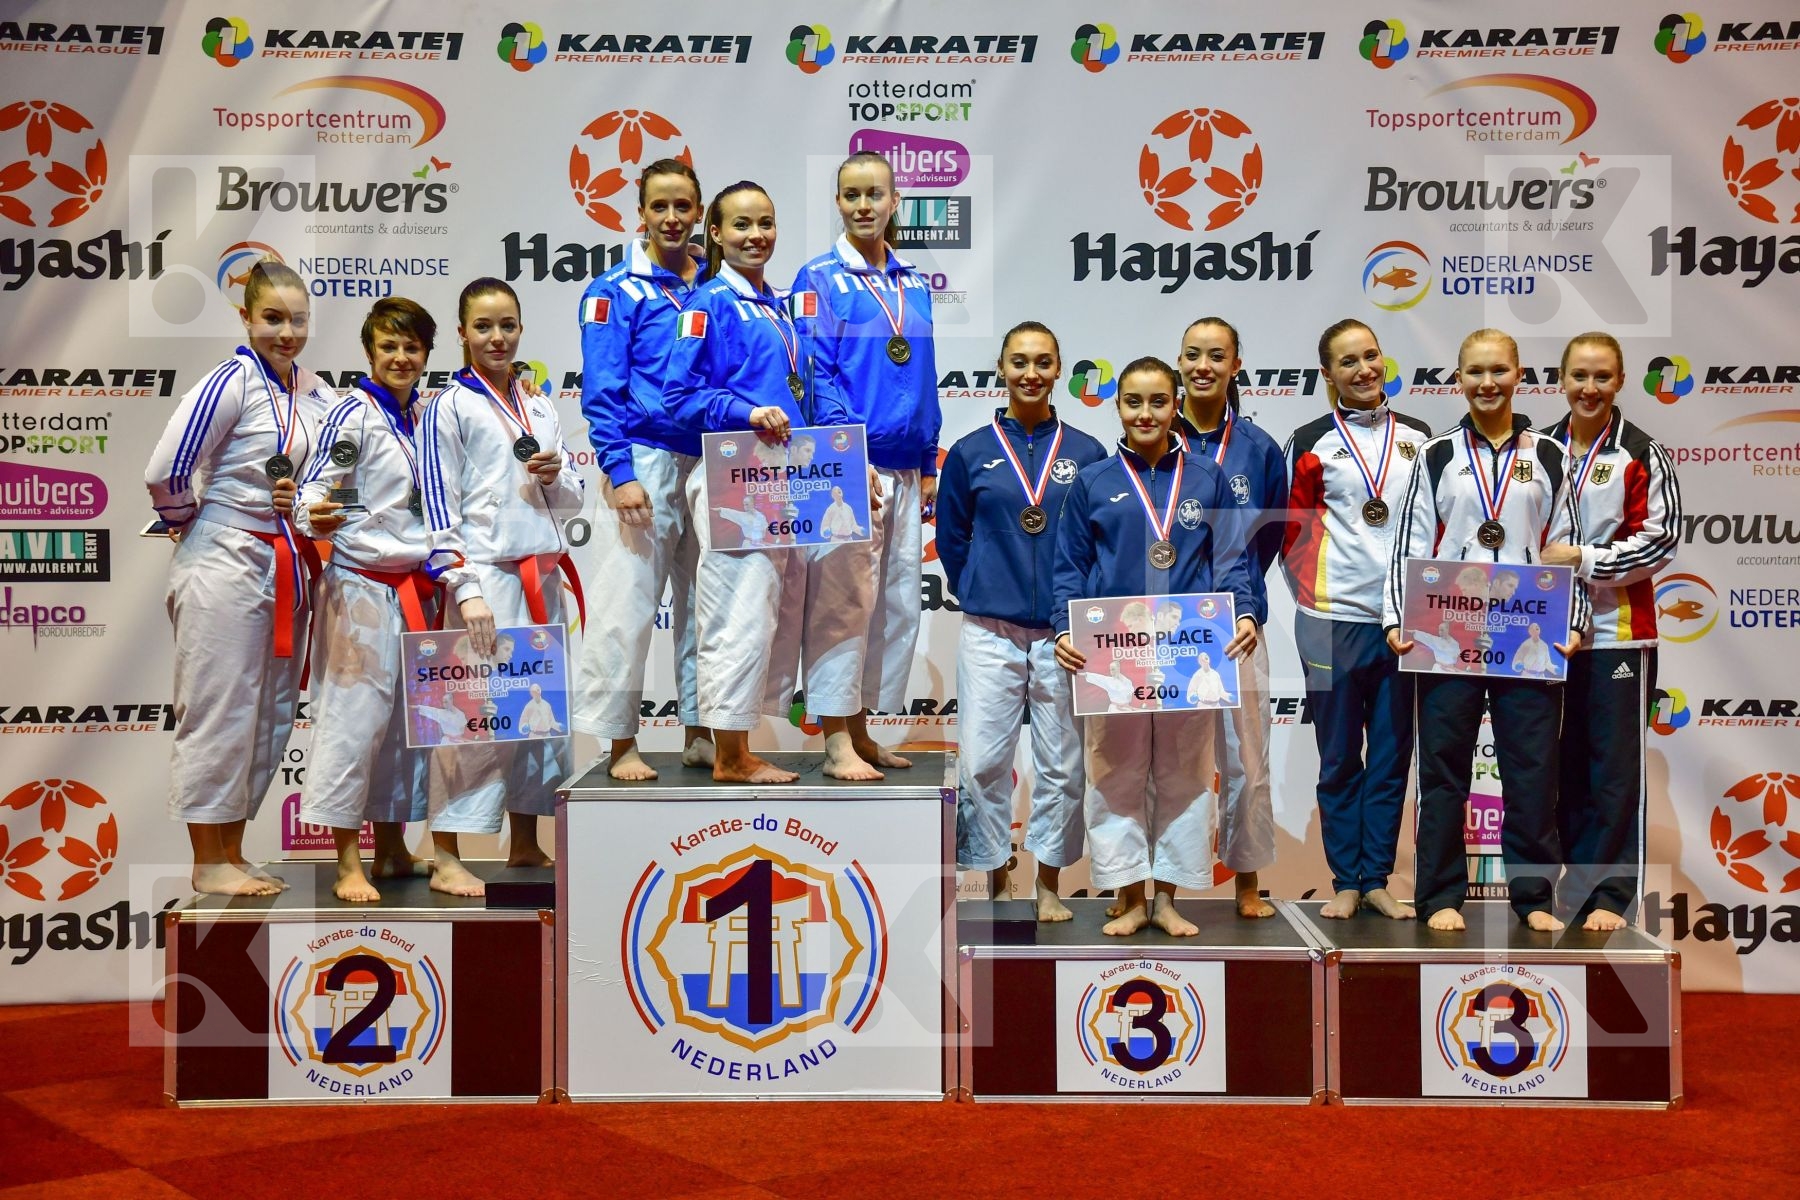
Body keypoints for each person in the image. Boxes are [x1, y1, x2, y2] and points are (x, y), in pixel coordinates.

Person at [1384, 328, 1590, 933]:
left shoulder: (1551, 454)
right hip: (1451, 633)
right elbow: (1412, 541)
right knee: (1444, 769)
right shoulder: (1437, 454)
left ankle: (1532, 898)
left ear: (1519, 374)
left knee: (1531, 769)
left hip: (1527, 636)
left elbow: (1563, 548)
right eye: (1475, 371)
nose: (1487, 382)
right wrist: (1398, 617)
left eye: (1499, 369)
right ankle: (1440, 894)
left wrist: (1573, 623)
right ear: (1459, 377)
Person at [144, 260, 332, 896]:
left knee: (269, 712)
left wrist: (311, 510)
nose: (287, 332)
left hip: (286, 561)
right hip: (224, 555)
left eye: (298, 319)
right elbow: (167, 468)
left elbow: (331, 473)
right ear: (245, 317)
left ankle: (233, 849)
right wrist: (189, 521)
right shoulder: (230, 380)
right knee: (220, 706)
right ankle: (207, 859)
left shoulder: (314, 389)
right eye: (273, 318)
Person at [1053, 357, 1258, 938]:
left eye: (1158, 402)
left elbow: (1231, 559)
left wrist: (1241, 611)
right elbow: (1070, 566)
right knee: (1115, 771)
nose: (1146, 414)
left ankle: (1166, 897)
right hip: (1112, 653)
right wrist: (1065, 628)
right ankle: (1127, 894)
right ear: (1117, 408)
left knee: (1184, 773)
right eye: (1134, 402)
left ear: (1175, 407)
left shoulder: (1205, 478)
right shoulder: (1094, 479)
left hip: (1188, 651)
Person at [667, 182, 849, 783]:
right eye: (740, 225)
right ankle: (728, 756)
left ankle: (739, 746)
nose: (756, 236)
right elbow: (680, 395)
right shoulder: (709, 302)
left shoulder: (781, 303)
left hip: (788, 477)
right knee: (736, 614)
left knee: (770, 614)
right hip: (733, 474)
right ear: (714, 234)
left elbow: (807, 392)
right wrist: (743, 412)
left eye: (765, 223)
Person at [420, 278, 584, 896]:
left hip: (540, 569)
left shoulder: (538, 404)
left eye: (507, 325)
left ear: (521, 329)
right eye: (483, 326)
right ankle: (445, 852)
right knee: (472, 719)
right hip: (486, 575)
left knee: (538, 720)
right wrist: (464, 589)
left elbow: (568, 497)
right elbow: (438, 507)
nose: (497, 337)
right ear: (462, 332)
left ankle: (524, 841)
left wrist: (558, 470)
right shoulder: (448, 405)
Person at [937, 321, 1106, 920]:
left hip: (1064, 638)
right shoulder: (971, 452)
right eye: (1018, 362)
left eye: (1042, 362)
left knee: (1062, 766)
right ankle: (996, 874)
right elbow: (952, 538)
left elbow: (1096, 544)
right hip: (990, 629)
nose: (1030, 374)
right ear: (1002, 369)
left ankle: (1050, 884)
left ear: (1060, 369)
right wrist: (981, 588)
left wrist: (1072, 620)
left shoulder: (1087, 453)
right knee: (983, 760)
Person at [789, 150, 942, 780]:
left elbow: (925, 374)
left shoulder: (911, 281)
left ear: (894, 200)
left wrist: (929, 453)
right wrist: (845, 454)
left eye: (874, 194)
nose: (862, 205)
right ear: (837, 202)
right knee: (842, 602)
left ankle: (861, 730)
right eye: (850, 194)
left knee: (893, 604)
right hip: (852, 466)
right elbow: (813, 371)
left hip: (906, 464)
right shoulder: (816, 277)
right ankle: (833, 741)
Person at [1282, 318, 1432, 920]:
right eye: (1348, 362)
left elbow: (1435, 526)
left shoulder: (1421, 437)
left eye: (1370, 356)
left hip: (1404, 623)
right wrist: (1319, 599)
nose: (1364, 369)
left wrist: (1416, 606)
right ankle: (1346, 877)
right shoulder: (1312, 439)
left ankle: (1378, 877)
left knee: (1393, 756)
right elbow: (1292, 531)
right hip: (1330, 621)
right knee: (1340, 755)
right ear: (1328, 374)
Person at [293, 297, 441, 902]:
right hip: (360, 585)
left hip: (417, 589)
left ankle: (393, 849)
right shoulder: (351, 414)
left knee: (406, 729)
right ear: (370, 352)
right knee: (353, 724)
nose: (401, 357)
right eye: (389, 347)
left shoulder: (427, 415)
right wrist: (315, 514)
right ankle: (348, 860)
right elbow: (311, 491)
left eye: (411, 347)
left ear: (428, 354)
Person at [573, 158, 714, 781]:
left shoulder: (718, 284)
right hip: (646, 457)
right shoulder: (613, 290)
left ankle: (702, 728)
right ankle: (619, 741)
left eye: (683, 205)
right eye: (660, 206)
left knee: (708, 604)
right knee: (625, 603)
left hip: (714, 457)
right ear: (641, 213)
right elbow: (602, 391)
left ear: (700, 211)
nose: (672, 218)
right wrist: (620, 470)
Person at [1540, 332, 1681, 932]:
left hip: (1617, 633)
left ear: (1621, 381)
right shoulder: (1537, 449)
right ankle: (1569, 889)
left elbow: (1663, 537)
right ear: (1561, 380)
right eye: (1579, 376)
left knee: (1613, 770)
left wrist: (1586, 561)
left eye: (1601, 377)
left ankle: (1612, 895)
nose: (1589, 388)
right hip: (1542, 636)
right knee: (1557, 769)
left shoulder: (1641, 452)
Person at [1173, 318, 1288, 919]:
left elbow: (1263, 542)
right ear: (1178, 361)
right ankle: (1161, 886)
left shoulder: (1259, 449)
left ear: (1236, 365)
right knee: (1168, 761)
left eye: (1216, 356)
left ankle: (1246, 880)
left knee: (1246, 757)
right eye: (1192, 354)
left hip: (1236, 624)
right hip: (1164, 627)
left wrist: (1239, 601)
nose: (1203, 366)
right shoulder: (1154, 432)